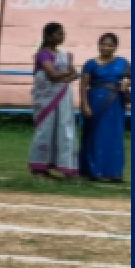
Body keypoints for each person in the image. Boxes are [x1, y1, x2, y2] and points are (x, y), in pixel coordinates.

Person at [28, 22, 82, 180]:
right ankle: (39, 168)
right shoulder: (43, 54)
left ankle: (65, 167)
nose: (62, 36)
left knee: (64, 130)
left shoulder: (64, 54)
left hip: (63, 98)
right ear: (48, 36)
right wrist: (65, 75)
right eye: (59, 34)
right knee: (45, 131)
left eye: (63, 33)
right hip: (46, 100)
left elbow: (74, 74)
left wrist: (63, 77)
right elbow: (52, 75)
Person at [80, 32, 131, 184]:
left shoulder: (123, 62)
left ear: (115, 47)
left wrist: (127, 83)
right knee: (96, 135)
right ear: (99, 45)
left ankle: (114, 172)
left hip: (115, 103)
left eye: (110, 45)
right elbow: (83, 86)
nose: (106, 48)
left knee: (114, 136)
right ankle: (95, 171)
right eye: (103, 44)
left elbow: (130, 77)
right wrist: (85, 104)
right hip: (96, 101)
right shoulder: (91, 63)